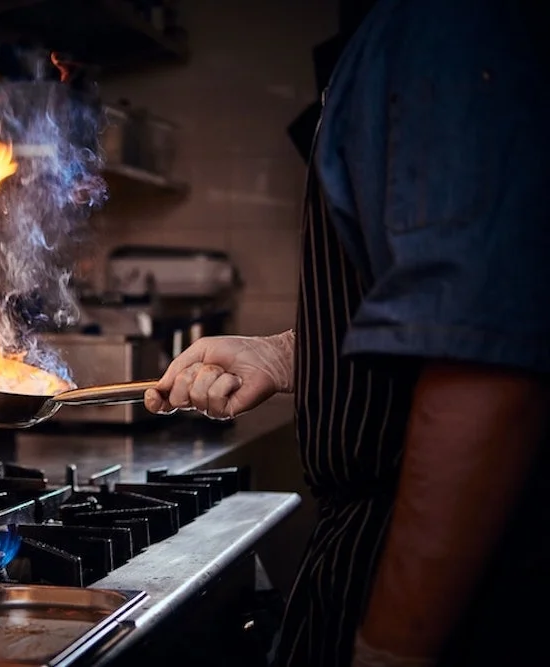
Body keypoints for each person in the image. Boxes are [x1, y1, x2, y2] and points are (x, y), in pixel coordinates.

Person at [144, 0, 550, 665]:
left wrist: (391, 646)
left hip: (450, 586)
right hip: (369, 554)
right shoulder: (395, 35)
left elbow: (486, 360)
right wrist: (284, 353)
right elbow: (437, 307)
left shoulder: (444, 22)